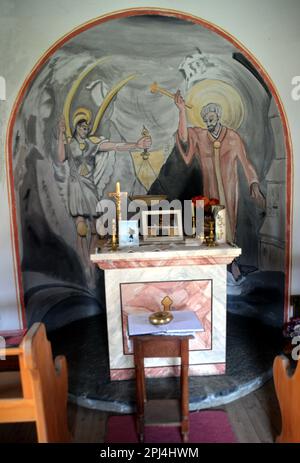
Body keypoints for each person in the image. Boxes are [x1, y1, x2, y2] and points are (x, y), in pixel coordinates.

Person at [58, 109, 151, 281]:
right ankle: (83, 264)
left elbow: (115, 146)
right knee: (81, 228)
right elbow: (61, 157)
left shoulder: (93, 144)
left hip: (90, 187)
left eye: (87, 126)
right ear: (76, 127)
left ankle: (92, 262)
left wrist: (136, 145)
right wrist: (61, 133)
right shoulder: (69, 143)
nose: (85, 129)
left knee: (95, 229)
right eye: (82, 126)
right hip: (76, 185)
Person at [174, 91, 265, 243]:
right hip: (210, 188)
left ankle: (230, 255)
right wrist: (182, 111)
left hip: (229, 188)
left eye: (211, 119)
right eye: (206, 120)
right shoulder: (201, 136)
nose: (208, 123)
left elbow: (246, 162)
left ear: (218, 117)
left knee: (229, 219)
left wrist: (253, 183)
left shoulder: (232, 137)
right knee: (211, 220)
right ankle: (214, 250)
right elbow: (183, 136)